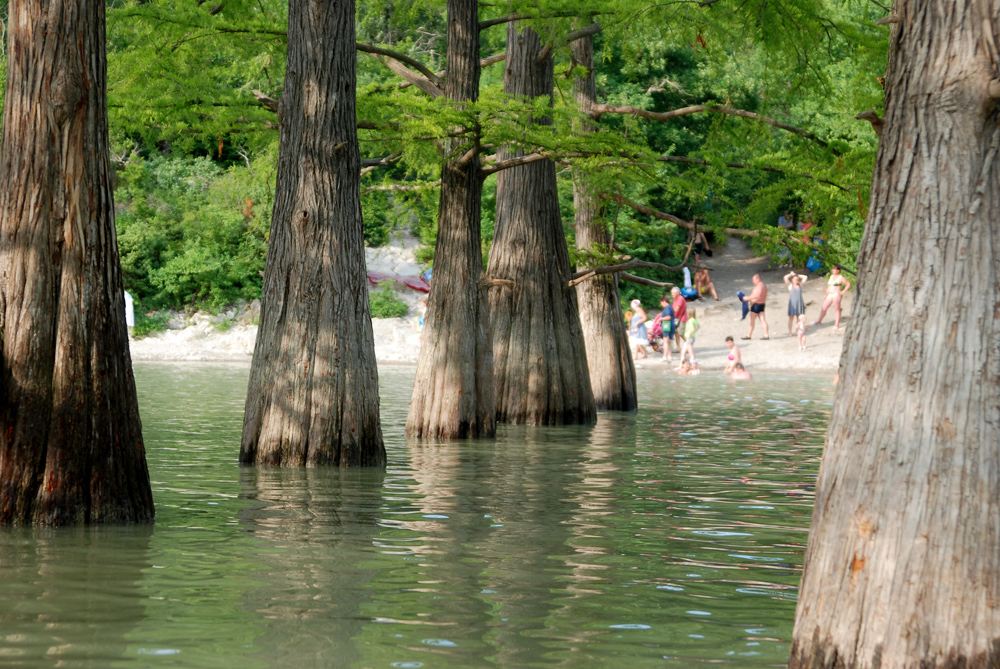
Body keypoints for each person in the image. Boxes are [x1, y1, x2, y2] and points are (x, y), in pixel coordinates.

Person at [813, 264, 851, 330]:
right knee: (824, 307)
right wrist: (826, 293)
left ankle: (836, 325)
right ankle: (819, 320)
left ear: (838, 270)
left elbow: (848, 284)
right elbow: (829, 286)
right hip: (830, 294)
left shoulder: (840, 277)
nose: (833, 270)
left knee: (837, 309)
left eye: (835, 269)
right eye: (833, 269)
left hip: (836, 294)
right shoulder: (831, 276)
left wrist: (843, 291)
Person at [742, 273, 770, 340]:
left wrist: (747, 298)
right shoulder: (763, 286)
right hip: (762, 304)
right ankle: (766, 335)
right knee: (763, 320)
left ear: (758, 279)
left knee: (752, 321)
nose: (753, 281)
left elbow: (757, 295)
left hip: (756, 305)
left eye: (754, 280)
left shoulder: (760, 286)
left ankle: (749, 335)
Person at [783, 271, 808, 336]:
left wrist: (797, 275)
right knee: (791, 318)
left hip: (800, 303)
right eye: (794, 279)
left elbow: (805, 277)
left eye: (797, 279)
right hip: (792, 304)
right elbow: (785, 277)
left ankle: (797, 330)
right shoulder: (790, 286)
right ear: (792, 280)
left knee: (799, 318)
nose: (796, 280)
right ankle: (790, 332)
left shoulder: (800, 285)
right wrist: (791, 274)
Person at [657, 295, 676, 362]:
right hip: (672, 325)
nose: (661, 305)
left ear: (664, 301)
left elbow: (668, 317)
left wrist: (660, 319)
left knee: (665, 341)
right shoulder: (670, 307)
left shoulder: (667, 308)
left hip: (666, 324)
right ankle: (670, 356)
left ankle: (664, 356)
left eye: (661, 303)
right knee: (669, 342)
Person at [671, 286, 688, 351]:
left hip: (682, 318)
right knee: (676, 333)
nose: (672, 294)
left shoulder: (680, 298)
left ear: (677, 293)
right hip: (676, 318)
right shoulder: (675, 298)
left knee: (681, 333)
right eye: (671, 293)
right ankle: (678, 348)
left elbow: (676, 309)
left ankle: (688, 343)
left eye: (673, 293)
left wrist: (669, 312)